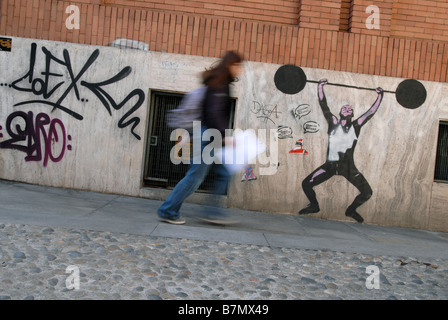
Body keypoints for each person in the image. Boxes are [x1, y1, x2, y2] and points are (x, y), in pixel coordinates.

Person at [157, 51, 243, 225]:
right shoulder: (219, 83)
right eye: (238, 65)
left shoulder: (221, 82)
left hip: (211, 135)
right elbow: (214, 112)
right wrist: (224, 136)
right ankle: (168, 210)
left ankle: (212, 213)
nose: (240, 70)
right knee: (195, 176)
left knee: (223, 173)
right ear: (230, 65)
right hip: (209, 135)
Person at [299, 79, 383, 223]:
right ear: (340, 112)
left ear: (352, 114)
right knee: (306, 183)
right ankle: (314, 205)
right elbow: (323, 104)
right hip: (330, 166)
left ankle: (351, 210)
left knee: (367, 192)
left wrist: (380, 96)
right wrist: (320, 87)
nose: (347, 109)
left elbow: (370, 112)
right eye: (345, 108)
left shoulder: (356, 126)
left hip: (348, 167)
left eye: (350, 109)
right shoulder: (333, 122)